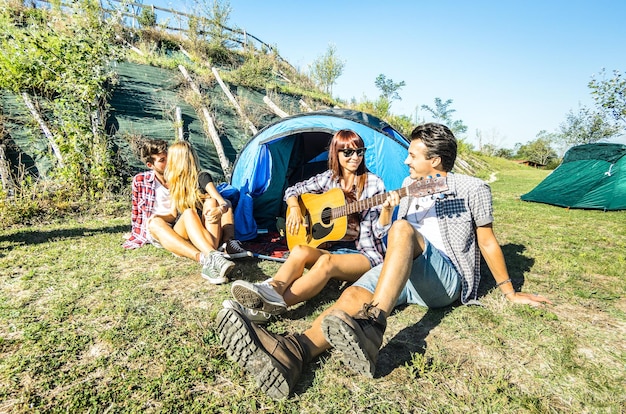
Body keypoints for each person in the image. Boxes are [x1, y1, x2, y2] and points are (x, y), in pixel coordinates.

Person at [216, 123, 553, 400]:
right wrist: (389, 210)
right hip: (401, 271)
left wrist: (509, 291)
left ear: (435, 161)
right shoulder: (408, 185)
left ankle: (373, 323)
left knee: (404, 231)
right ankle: (294, 353)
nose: (406, 162)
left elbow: (487, 240)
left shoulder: (471, 188)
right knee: (351, 297)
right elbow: (388, 232)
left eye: (412, 155)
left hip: (445, 277)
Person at [228, 129, 387, 318]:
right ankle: (271, 288)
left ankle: (262, 308)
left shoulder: (374, 184)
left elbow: (379, 232)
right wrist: (294, 208)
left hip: (363, 254)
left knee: (326, 262)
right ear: (336, 153)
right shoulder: (329, 178)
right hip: (333, 246)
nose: (355, 157)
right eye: (348, 152)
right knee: (300, 250)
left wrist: (387, 210)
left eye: (360, 151)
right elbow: (292, 190)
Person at [122, 138, 238, 284]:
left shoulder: (180, 179)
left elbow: (216, 200)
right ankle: (210, 256)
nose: (167, 162)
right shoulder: (141, 180)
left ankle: (213, 255)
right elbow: (140, 214)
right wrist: (145, 227)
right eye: (162, 160)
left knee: (195, 210)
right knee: (157, 221)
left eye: (168, 158)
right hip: (166, 228)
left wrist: (219, 208)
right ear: (150, 165)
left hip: (189, 223)